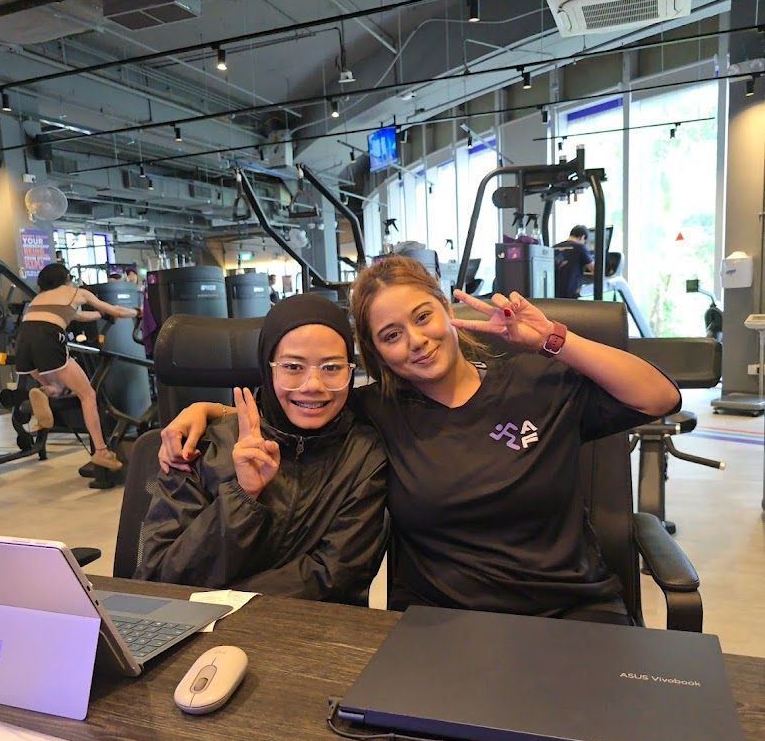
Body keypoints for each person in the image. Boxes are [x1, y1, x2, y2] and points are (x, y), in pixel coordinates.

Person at [159, 257, 680, 624]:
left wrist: (552, 340)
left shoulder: (536, 383)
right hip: (441, 625)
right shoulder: (378, 411)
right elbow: (305, 403)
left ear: (446, 310)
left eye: (423, 317)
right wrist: (208, 411)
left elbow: (660, 397)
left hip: (572, 612)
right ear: (377, 354)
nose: (416, 341)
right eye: (391, 336)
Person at [136, 294, 387, 601]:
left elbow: (333, 575)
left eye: (331, 367)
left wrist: (231, 602)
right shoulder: (203, 446)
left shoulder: (363, 455)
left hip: (300, 626)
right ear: (268, 369)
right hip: (197, 623)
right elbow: (160, 578)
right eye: (292, 366)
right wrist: (241, 498)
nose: (313, 385)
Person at [15, 262, 138, 471]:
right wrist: (137, 312)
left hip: (23, 340)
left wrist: (100, 315)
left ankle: (44, 391)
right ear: (66, 279)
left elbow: (77, 316)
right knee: (87, 394)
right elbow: (116, 310)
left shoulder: (38, 299)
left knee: (57, 386)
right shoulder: (76, 292)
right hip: (48, 337)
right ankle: (101, 452)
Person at [553, 225, 594, 298]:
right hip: (570, 295)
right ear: (582, 237)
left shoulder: (554, 247)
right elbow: (594, 269)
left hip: (554, 294)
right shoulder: (580, 247)